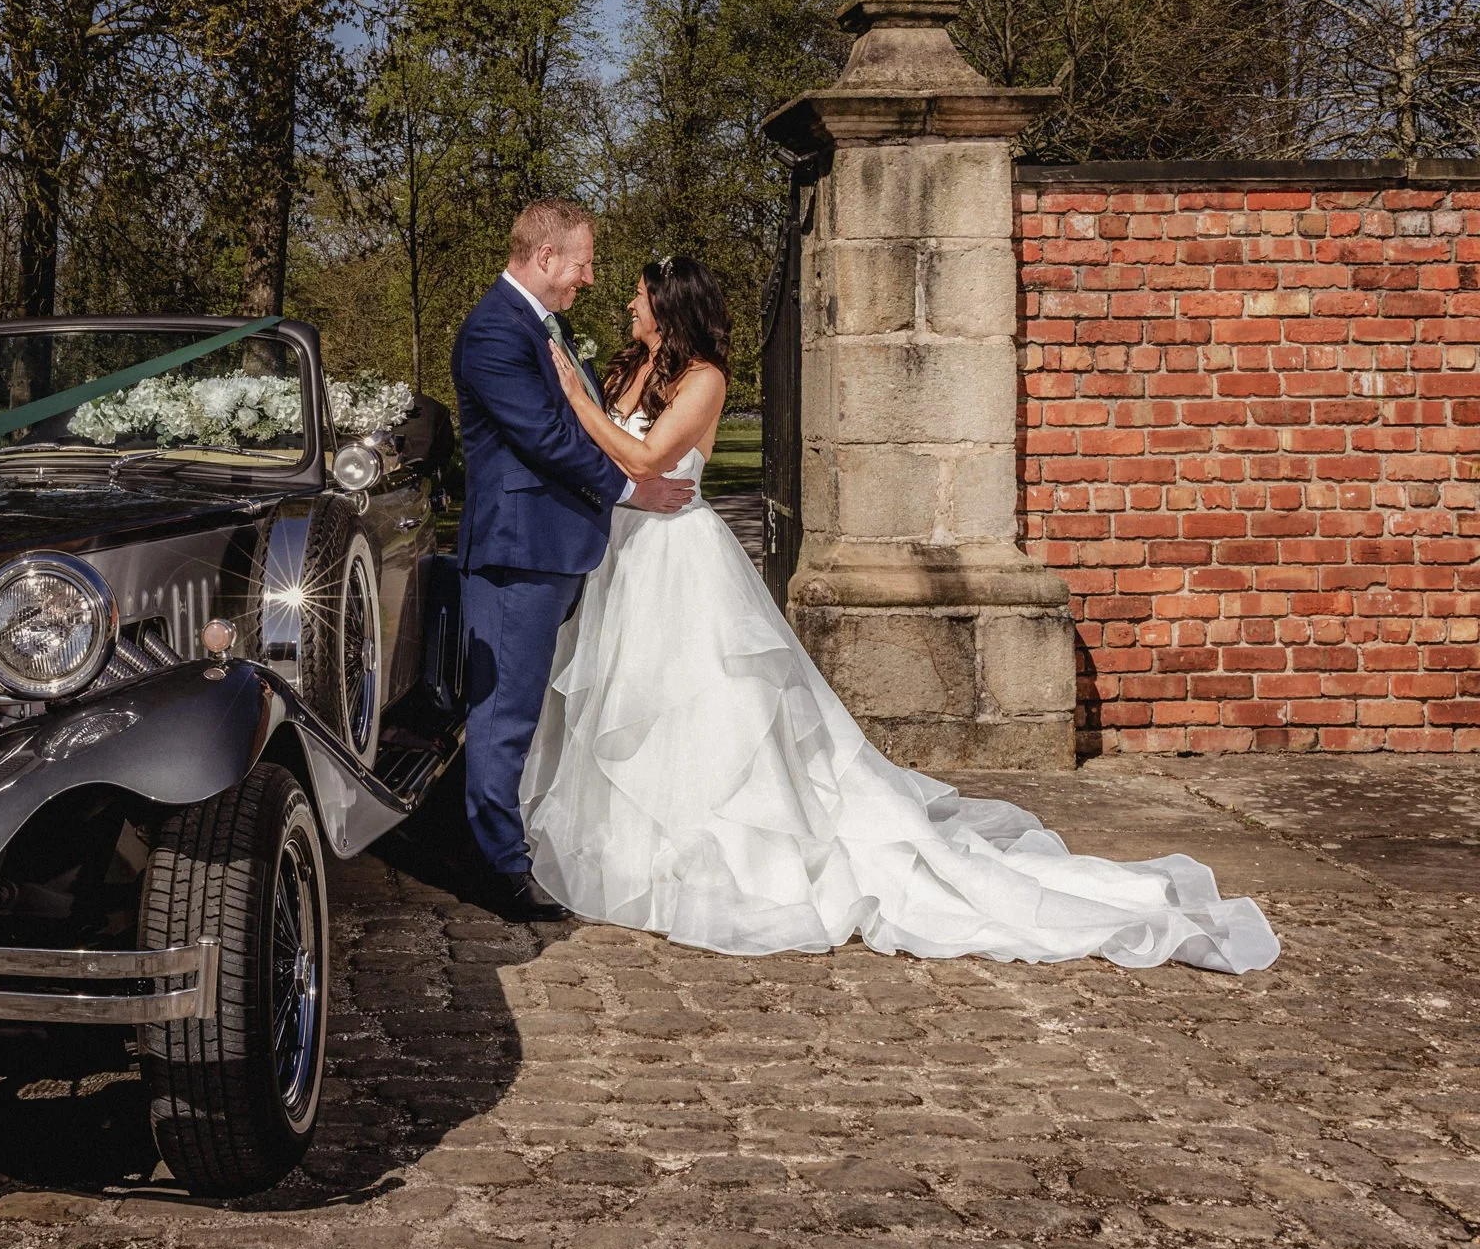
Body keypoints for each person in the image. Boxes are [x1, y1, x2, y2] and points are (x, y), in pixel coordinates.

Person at [520, 254, 1278, 973]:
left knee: (699, 704)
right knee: (634, 700)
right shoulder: (635, 365)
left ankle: (722, 852)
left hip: (679, 559)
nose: (627, 301)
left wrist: (580, 400)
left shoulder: (707, 380)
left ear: (667, 303)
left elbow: (647, 461)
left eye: (640, 294)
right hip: (627, 556)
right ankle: (629, 844)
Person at [450, 200, 695, 923]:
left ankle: (509, 843)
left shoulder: (538, 324)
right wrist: (633, 489)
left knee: (527, 708)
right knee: (504, 713)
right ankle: (498, 869)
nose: (590, 277)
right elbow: (544, 437)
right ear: (546, 257)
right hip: (517, 552)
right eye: (582, 262)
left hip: (550, 548)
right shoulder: (496, 329)